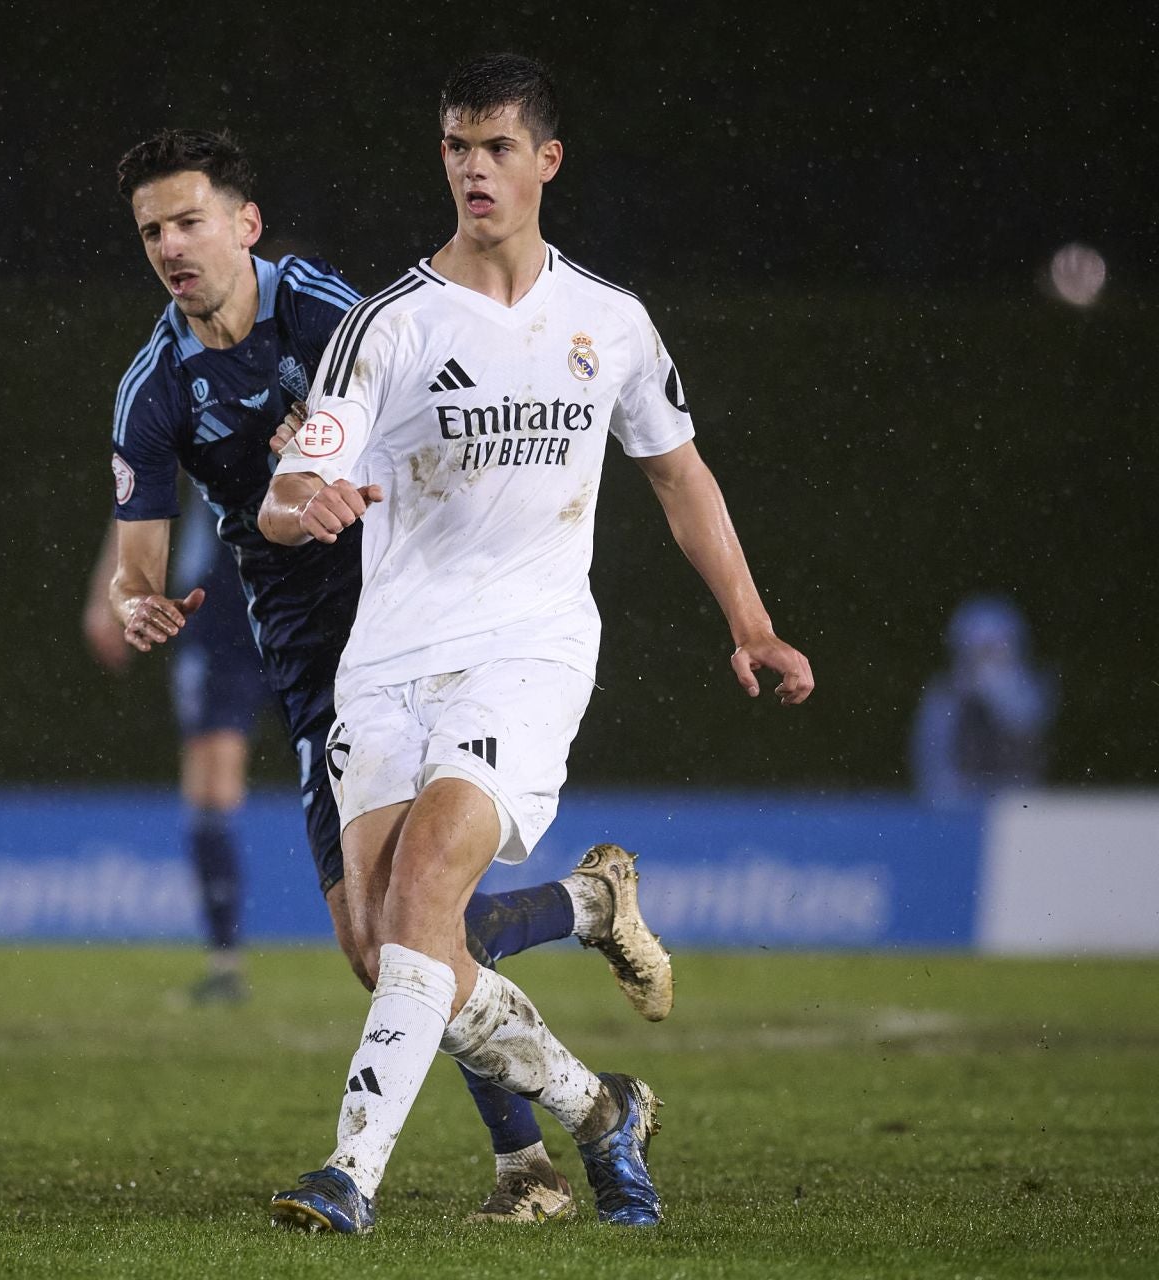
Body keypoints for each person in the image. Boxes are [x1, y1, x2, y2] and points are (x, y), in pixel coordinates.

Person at [258, 54, 814, 1233]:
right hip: (390, 664)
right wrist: (299, 501)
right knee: (388, 949)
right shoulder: (386, 326)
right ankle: (600, 1108)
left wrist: (751, 622)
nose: (474, 169)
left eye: (497, 147)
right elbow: (294, 478)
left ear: (546, 160)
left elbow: (679, 476)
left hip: (527, 655)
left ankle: (348, 1173)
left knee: (423, 903)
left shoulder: (607, 322)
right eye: (457, 147)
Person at [102, 125, 674, 1223]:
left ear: (244, 224)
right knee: (384, 947)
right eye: (150, 230)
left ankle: (524, 1162)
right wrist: (140, 603)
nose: (171, 244)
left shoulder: (333, 314)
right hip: (316, 666)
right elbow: (135, 558)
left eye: (188, 220)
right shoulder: (153, 387)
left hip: (422, 626)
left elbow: (443, 412)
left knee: (424, 913)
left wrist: (339, 462)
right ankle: (590, 986)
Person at [82, 509, 268, 1004]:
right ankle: (225, 963)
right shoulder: (196, 427)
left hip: (304, 595)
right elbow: (139, 485)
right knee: (213, 789)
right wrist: (111, 590)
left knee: (359, 769)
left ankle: (410, 952)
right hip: (220, 608)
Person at [910, 595, 1054, 805]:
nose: (986, 660)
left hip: (1017, 801)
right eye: (979, 651)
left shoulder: (1030, 691)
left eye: (994, 650)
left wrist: (996, 689)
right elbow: (930, 754)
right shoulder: (945, 695)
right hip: (958, 800)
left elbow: (1025, 724)